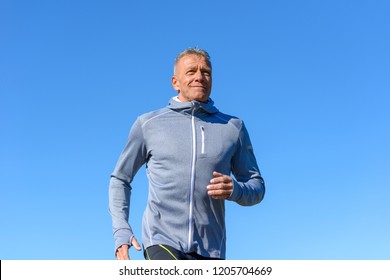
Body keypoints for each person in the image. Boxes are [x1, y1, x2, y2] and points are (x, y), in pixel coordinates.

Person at [109, 48, 265, 260]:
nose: (199, 77)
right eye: (191, 71)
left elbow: (257, 187)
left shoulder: (233, 127)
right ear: (175, 82)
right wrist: (121, 231)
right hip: (161, 241)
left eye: (206, 72)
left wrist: (236, 189)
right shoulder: (148, 124)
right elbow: (120, 179)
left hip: (212, 251)